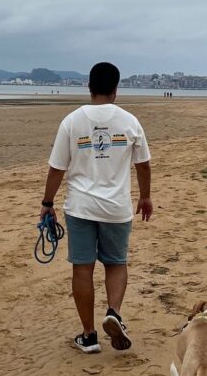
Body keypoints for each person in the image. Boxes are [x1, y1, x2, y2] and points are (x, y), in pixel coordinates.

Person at [40, 62, 152, 354]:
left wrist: (47, 203)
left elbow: (56, 168)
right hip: (117, 207)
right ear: (116, 89)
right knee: (116, 263)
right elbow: (143, 164)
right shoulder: (130, 121)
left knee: (83, 268)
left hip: (81, 207)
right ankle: (113, 312)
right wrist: (146, 196)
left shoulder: (72, 122)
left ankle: (89, 336)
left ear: (89, 87)